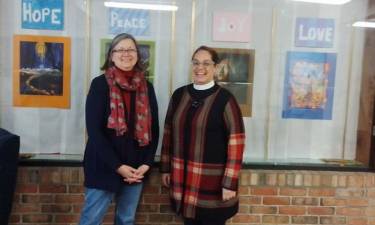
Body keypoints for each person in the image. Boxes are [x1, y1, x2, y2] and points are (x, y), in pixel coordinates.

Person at [79, 33, 159, 225]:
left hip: (135, 168)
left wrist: (146, 164)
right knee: (91, 220)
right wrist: (118, 166)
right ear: (111, 56)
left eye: (131, 49)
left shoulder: (147, 87)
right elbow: (95, 132)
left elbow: (154, 129)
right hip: (103, 165)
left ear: (138, 55)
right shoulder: (100, 85)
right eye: (120, 49)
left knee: (126, 219)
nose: (126, 54)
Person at [160, 46, 245, 225]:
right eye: (196, 63)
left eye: (206, 63)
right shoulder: (179, 95)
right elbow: (168, 133)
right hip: (182, 178)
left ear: (216, 68)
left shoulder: (225, 99)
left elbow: (236, 143)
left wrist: (229, 183)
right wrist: (166, 168)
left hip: (212, 182)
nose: (200, 67)